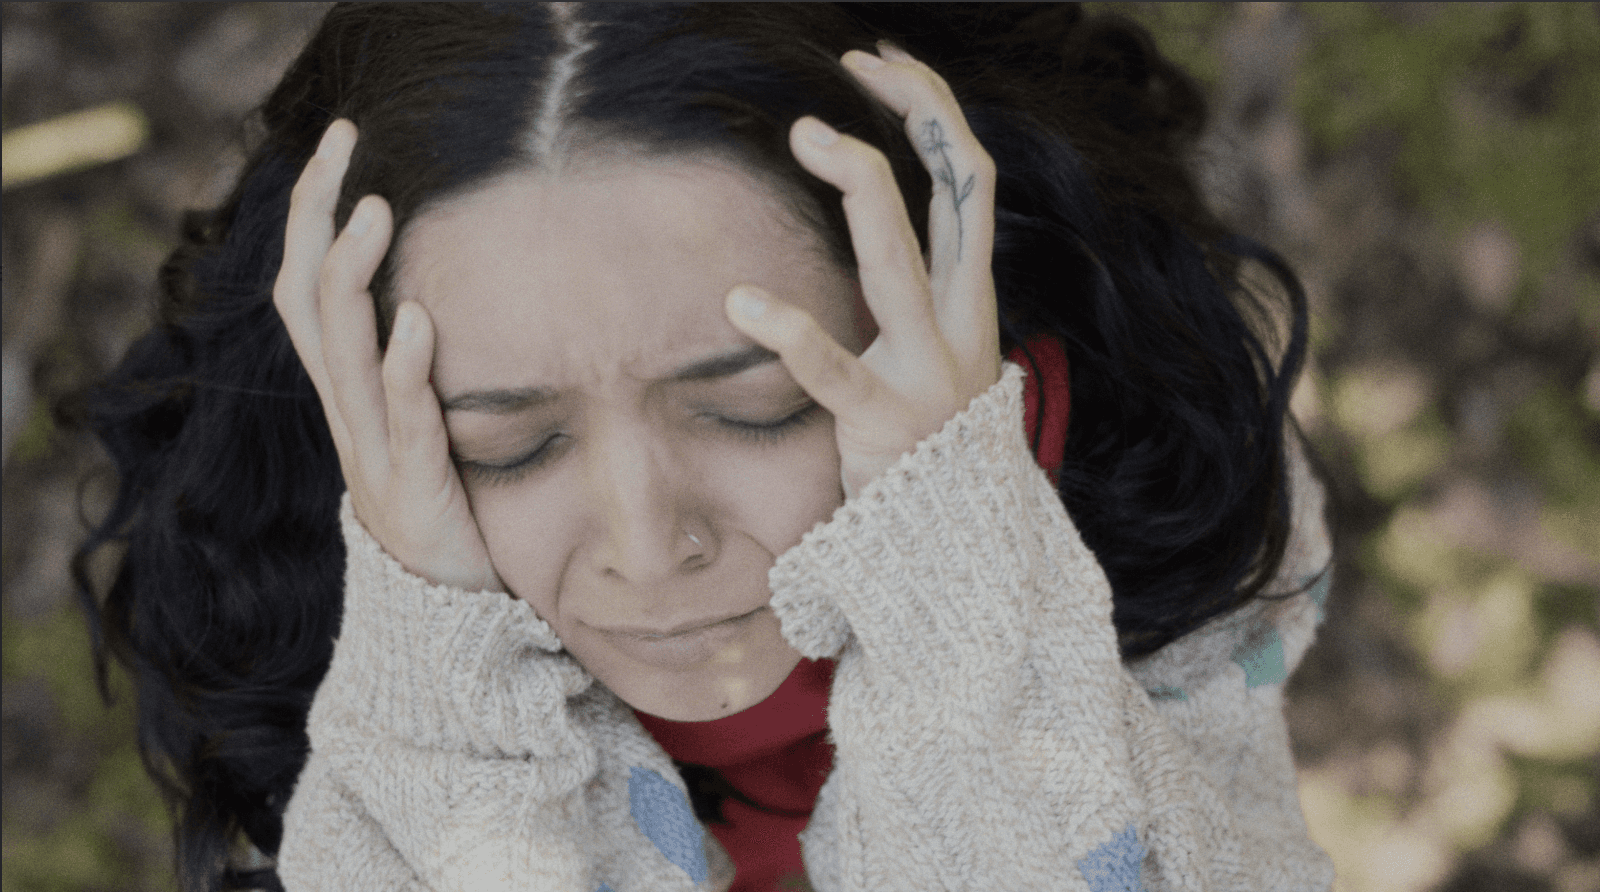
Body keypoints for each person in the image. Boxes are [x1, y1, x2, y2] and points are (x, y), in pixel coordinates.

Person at [72, 3, 1335, 890]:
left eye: (754, 404)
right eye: (507, 443)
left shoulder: (1137, 472)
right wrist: (441, 699)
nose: (646, 542)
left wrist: (959, 588)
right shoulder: (318, 572)